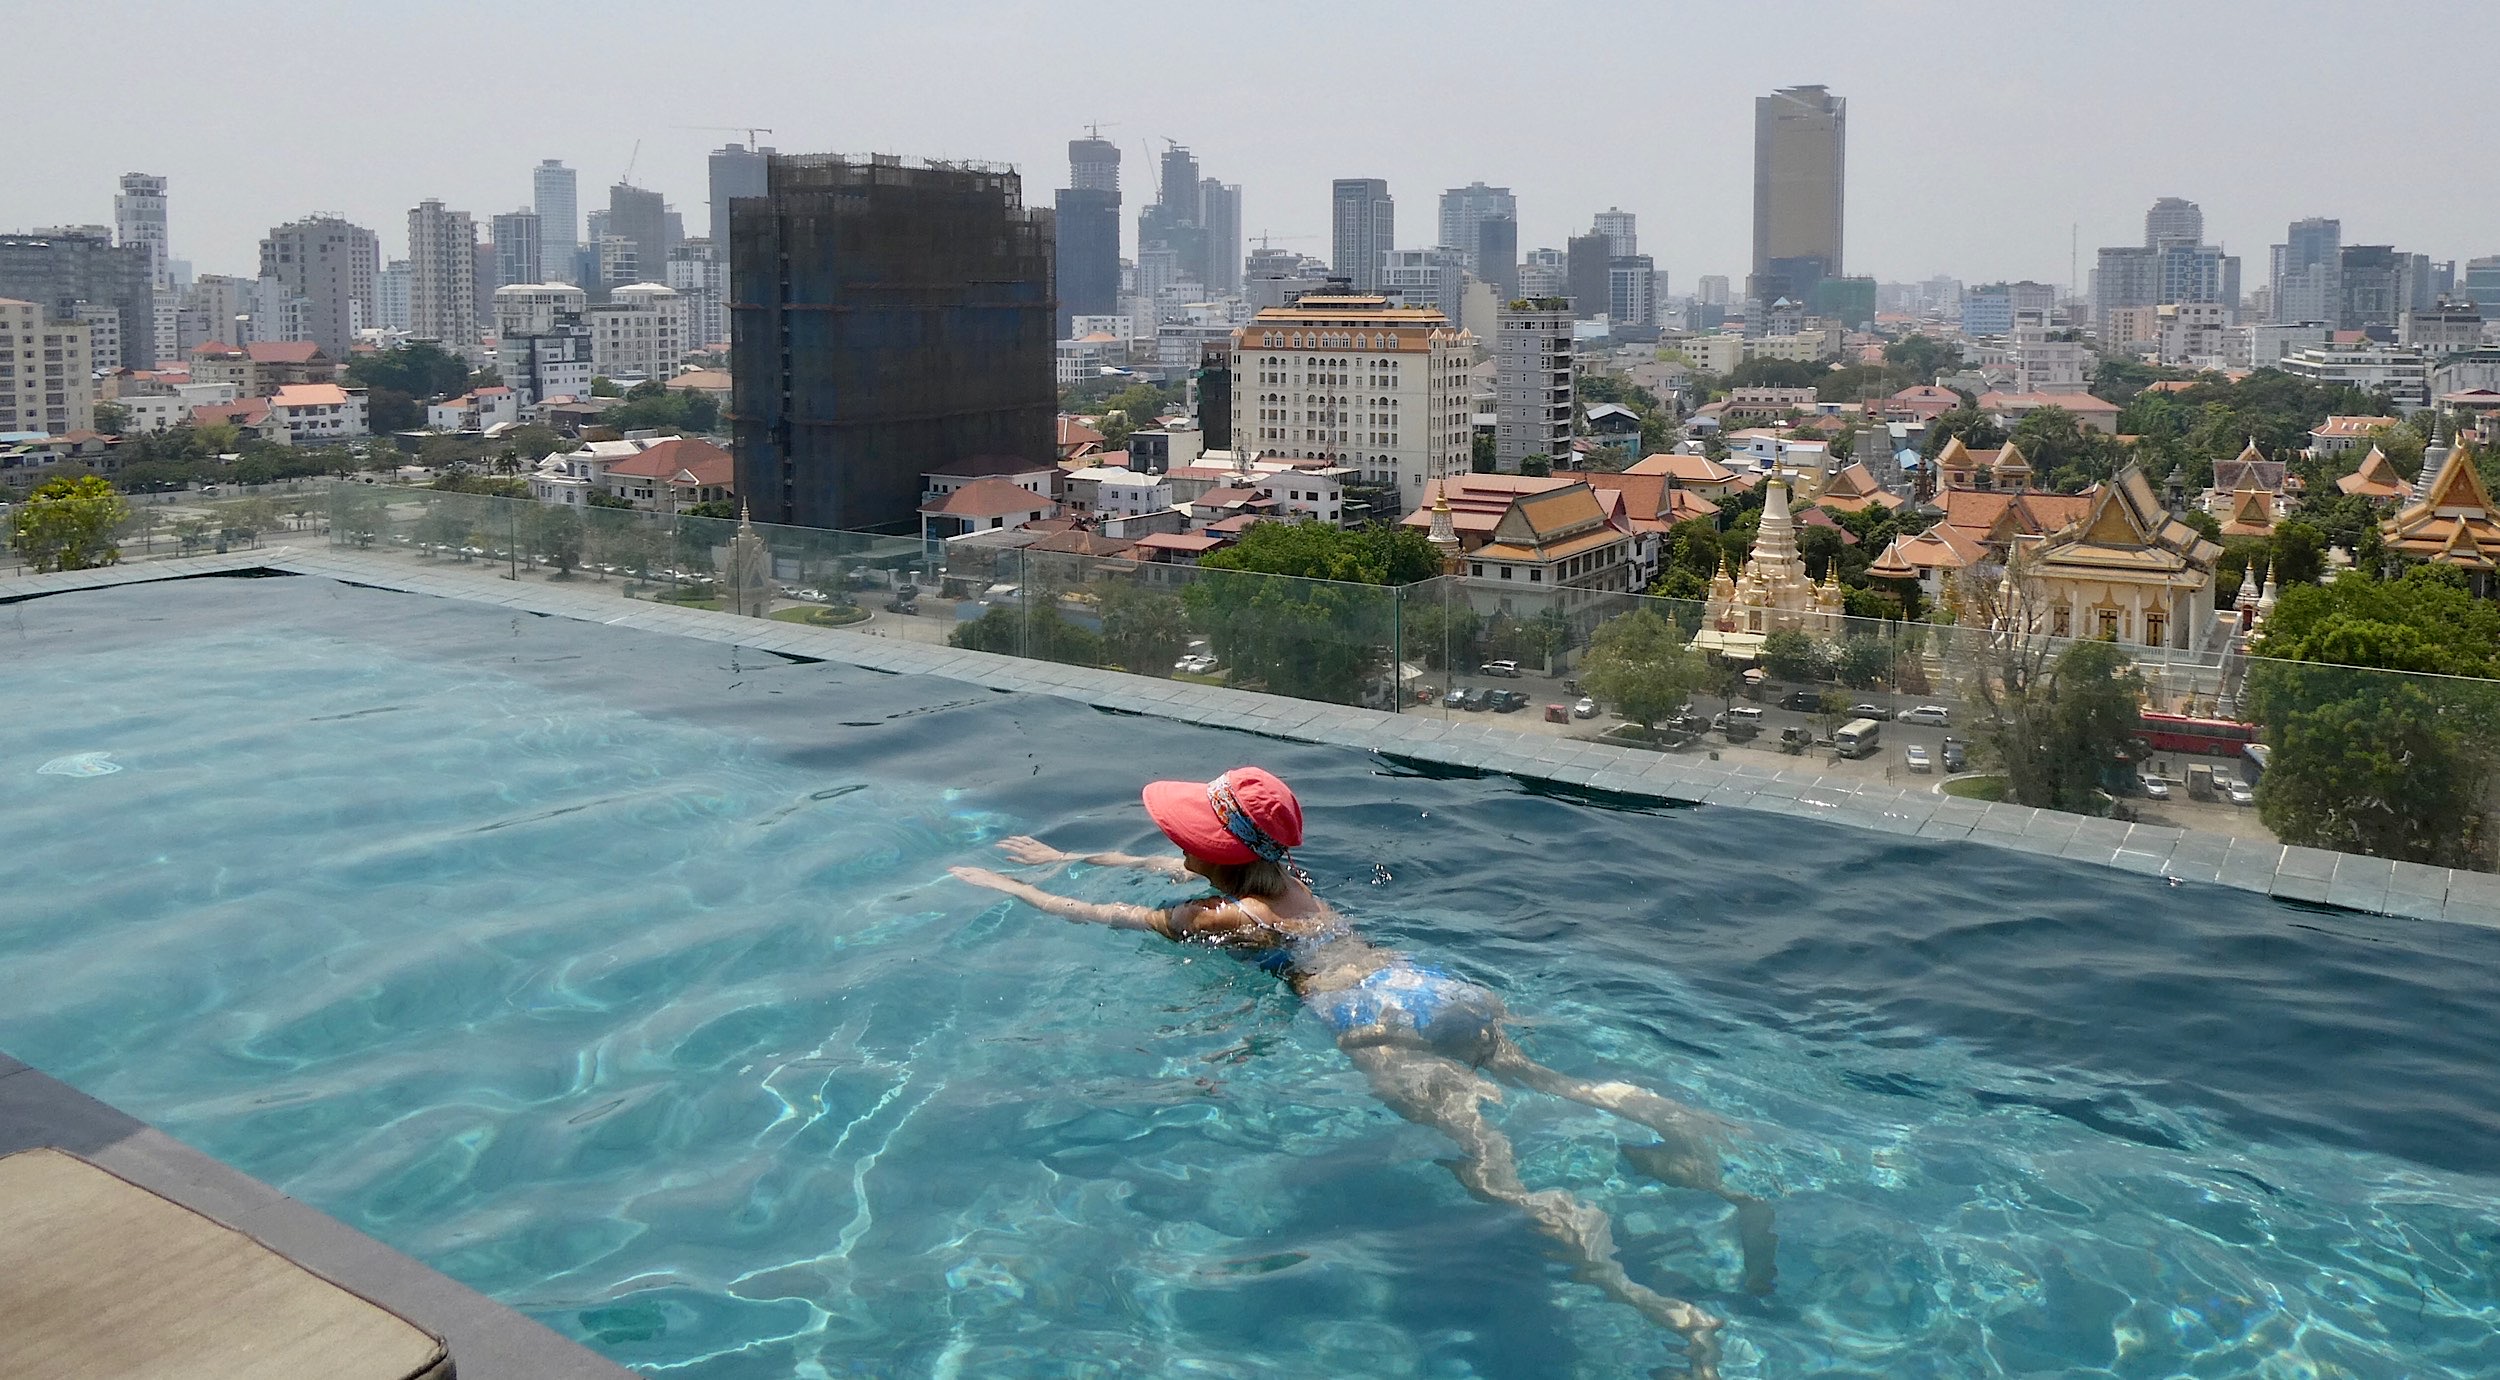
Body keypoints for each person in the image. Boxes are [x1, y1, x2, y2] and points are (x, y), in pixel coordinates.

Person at [950, 766, 1773, 1378]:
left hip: (1374, 1028)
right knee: (1553, 1082)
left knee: (1494, 1174)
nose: (1174, 848)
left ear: (1213, 854)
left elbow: (1105, 916)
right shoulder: (1284, 883)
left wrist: (1006, 885)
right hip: (1430, 987)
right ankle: (1684, 1135)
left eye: (1187, 838)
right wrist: (1066, 853)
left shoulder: (1230, 920)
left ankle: (1672, 1312)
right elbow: (1157, 870)